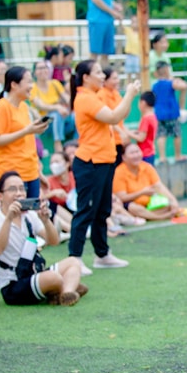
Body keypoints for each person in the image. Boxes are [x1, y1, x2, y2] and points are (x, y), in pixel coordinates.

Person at [68, 59, 140, 269]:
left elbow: (119, 115)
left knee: (102, 210)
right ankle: (74, 258)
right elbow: (114, 116)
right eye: (98, 73)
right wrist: (130, 94)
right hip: (91, 162)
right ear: (86, 77)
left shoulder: (95, 95)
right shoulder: (85, 99)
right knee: (86, 211)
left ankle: (102, 254)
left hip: (104, 160)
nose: (102, 76)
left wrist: (127, 97)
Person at [0, 170, 86, 307]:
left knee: (73, 262)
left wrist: (46, 221)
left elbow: (54, 241)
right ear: (0, 196)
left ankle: (66, 294)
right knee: (54, 277)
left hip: (34, 272)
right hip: (13, 284)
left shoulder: (29, 216)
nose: (19, 193)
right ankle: (66, 286)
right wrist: (9, 219)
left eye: (22, 188)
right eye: (12, 189)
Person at [0, 66, 47, 198]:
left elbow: (27, 142)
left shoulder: (23, 106)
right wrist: (26, 131)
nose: (32, 86)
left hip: (31, 172)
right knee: (17, 210)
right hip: (13, 174)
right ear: (14, 85)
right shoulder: (2, 107)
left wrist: (38, 172)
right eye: (28, 82)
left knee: (33, 210)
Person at [113, 143, 184, 221]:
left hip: (149, 204)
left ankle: (144, 216)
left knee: (170, 205)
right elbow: (122, 197)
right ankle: (160, 217)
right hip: (132, 206)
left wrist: (173, 201)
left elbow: (159, 186)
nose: (136, 155)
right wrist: (142, 192)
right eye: (132, 153)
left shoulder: (147, 167)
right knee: (133, 208)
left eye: (137, 152)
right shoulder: (119, 172)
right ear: (124, 157)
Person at [152, 61, 187, 163]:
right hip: (171, 113)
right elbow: (183, 86)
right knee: (177, 134)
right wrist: (179, 81)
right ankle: (178, 155)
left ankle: (162, 157)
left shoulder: (155, 85)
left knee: (161, 135)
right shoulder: (170, 83)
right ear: (166, 71)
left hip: (159, 114)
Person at [29, 60, 74, 153]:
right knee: (55, 115)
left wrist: (69, 107)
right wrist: (58, 107)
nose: (43, 70)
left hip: (63, 117)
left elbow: (67, 99)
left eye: (45, 68)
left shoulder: (54, 83)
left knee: (76, 115)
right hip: (45, 122)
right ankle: (57, 144)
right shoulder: (33, 88)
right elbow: (41, 105)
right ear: (34, 72)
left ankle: (76, 142)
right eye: (40, 68)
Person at [97, 66, 133, 163]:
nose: (117, 81)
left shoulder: (116, 93)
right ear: (105, 81)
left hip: (120, 139)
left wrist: (129, 97)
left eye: (117, 78)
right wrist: (121, 132)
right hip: (110, 139)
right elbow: (108, 118)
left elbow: (124, 115)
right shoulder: (101, 94)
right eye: (114, 78)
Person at [131, 91, 158, 164]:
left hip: (145, 153)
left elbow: (141, 138)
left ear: (143, 103)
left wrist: (127, 132)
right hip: (150, 152)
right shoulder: (152, 116)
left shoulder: (146, 118)